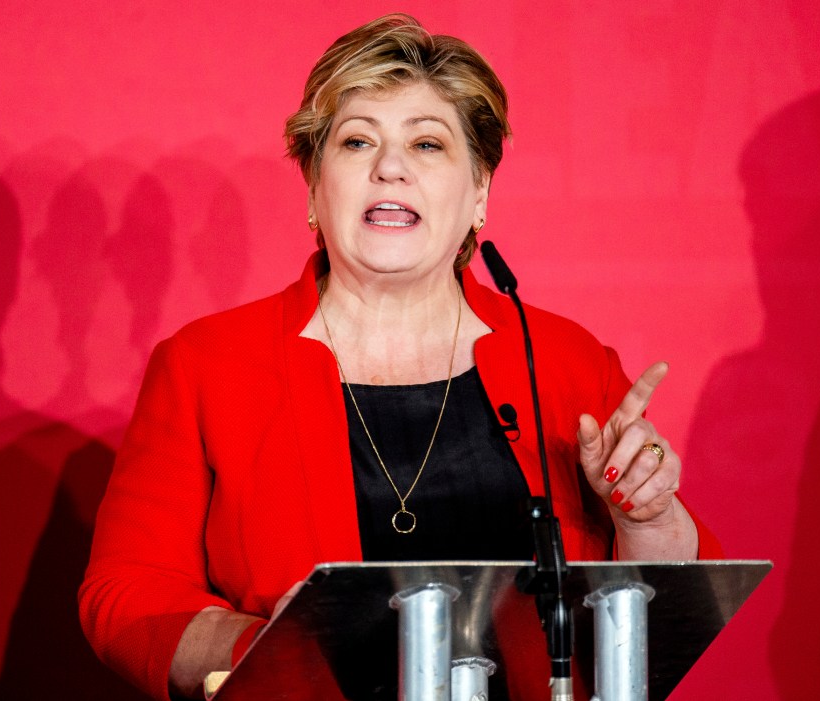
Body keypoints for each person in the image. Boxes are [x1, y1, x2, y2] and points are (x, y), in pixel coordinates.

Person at [79, 14, 722, 700]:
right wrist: (267, 645)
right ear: (312, 188)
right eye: (357, 141)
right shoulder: (206, 364)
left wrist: (644, 519)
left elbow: (662, 611)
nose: (390, 166)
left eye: (426, 143)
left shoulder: (564, 360)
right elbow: (126, 595)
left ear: (478, 194)